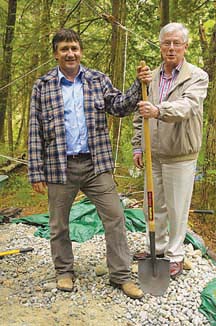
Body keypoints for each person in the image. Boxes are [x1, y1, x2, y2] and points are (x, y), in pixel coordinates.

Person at [28, 28, 151, 298]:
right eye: (64, 49)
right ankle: (64, 272)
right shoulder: (43, 85)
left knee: (116, 217)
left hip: (96, 164)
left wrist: (137, 84)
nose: (70, 53)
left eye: (74, 48)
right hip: (60, 166)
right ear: (56, 54)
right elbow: (34, 131)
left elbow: (119, 107)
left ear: (80, 51)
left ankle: (120, 275)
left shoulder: (97, 79)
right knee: (58, 223)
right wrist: (35, 171)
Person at [132, 22, 209, 279]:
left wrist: (159, 110)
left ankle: (175, 255)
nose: (171, 48)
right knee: (153, 206)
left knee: (177, 208)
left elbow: (186, 107)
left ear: (186, 46)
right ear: (161, 46)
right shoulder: (151, 77)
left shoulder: (197, 76)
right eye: (167, 43)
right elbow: (139, 113)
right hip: (153, 154)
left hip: (180, 154)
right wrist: (138, 146)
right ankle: (156, 248)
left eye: (177, 43)